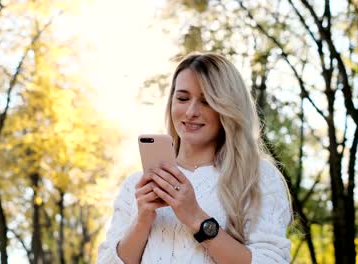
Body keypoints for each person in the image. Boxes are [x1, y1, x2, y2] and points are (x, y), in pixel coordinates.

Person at [97, 52, 292, 264]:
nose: (191, 111)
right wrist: (142, 220)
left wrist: (196, 218)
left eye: (206, 101)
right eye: (182, 98)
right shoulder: (135, 185)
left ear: (227, 108)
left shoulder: (257, 178)